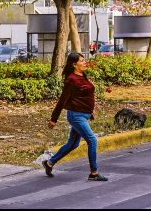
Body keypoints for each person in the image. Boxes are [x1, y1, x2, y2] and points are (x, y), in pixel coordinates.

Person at [43, 53, 107, 182]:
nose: (85, 63)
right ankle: (94, 173)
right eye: (82, 61)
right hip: (76, 116)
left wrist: (90, 111)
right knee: (92, 140)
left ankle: (49, 163)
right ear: (74, 64)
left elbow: (86, 96)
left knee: (73, 143)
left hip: (83, 114)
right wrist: (54, 119)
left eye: (84, 61)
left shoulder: (83, 76)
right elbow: (62, 100)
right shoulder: (71, 80)